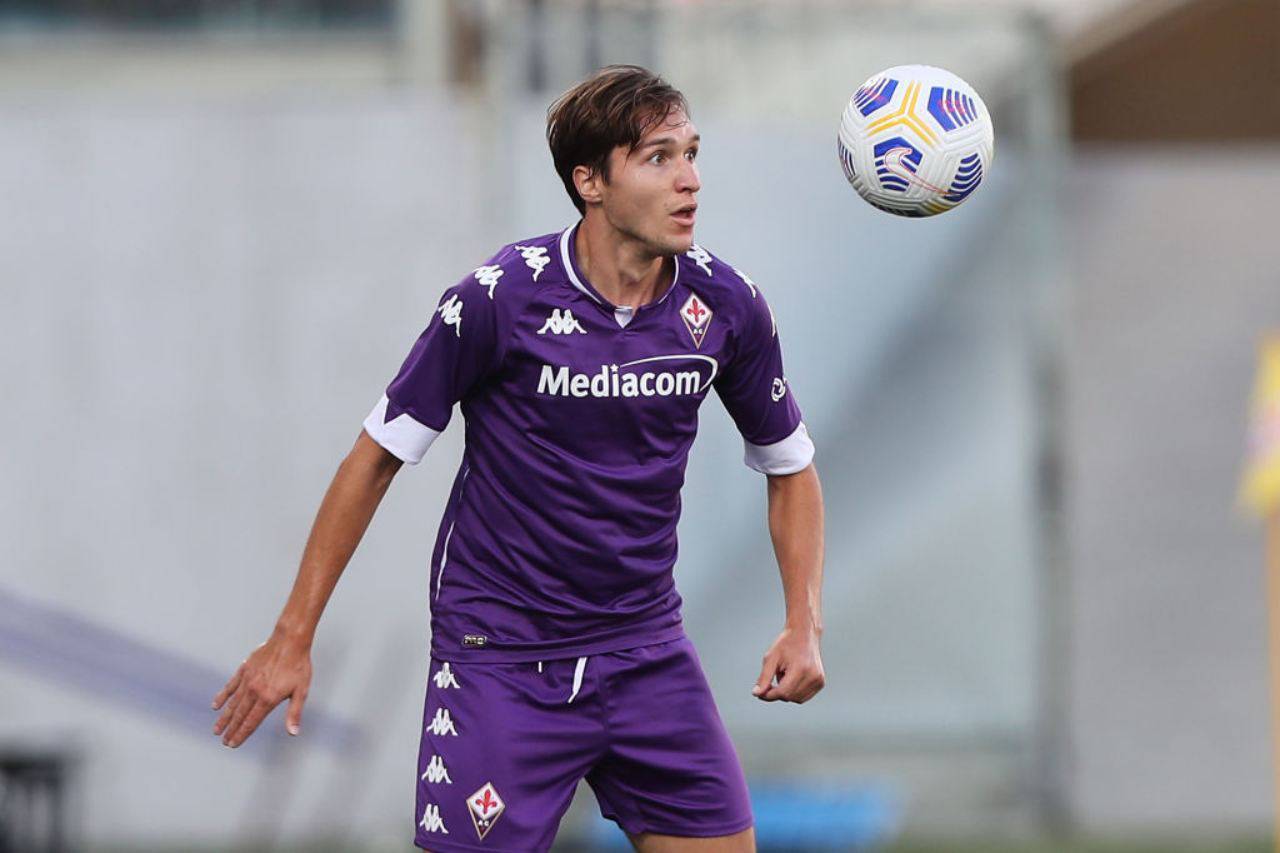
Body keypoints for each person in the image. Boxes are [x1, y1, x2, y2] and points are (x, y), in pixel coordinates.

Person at [212, 64, 825, 853]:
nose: (691, 181)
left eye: (693, 153)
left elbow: (790, 465)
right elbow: (374, 458)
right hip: (499, 661)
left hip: (646, 651)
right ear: (590, 181)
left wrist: (803, 623)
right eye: (660, 157)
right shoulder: (498, 300)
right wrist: (292, 636)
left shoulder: (727, 307)